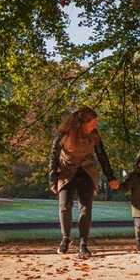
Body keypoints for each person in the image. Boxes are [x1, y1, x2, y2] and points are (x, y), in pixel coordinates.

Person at [49, 107, 119, 257]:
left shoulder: (94, 136)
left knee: (86, 209)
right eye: (92, 123)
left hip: (87, 172)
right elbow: (53, 158)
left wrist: (111, 176)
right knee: (65, 206)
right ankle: (66, 239)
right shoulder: (64, 135)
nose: (95, 126)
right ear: (82, 123)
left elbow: (102, 156)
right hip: (66, 172)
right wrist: (52, 180)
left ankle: (83, 244)